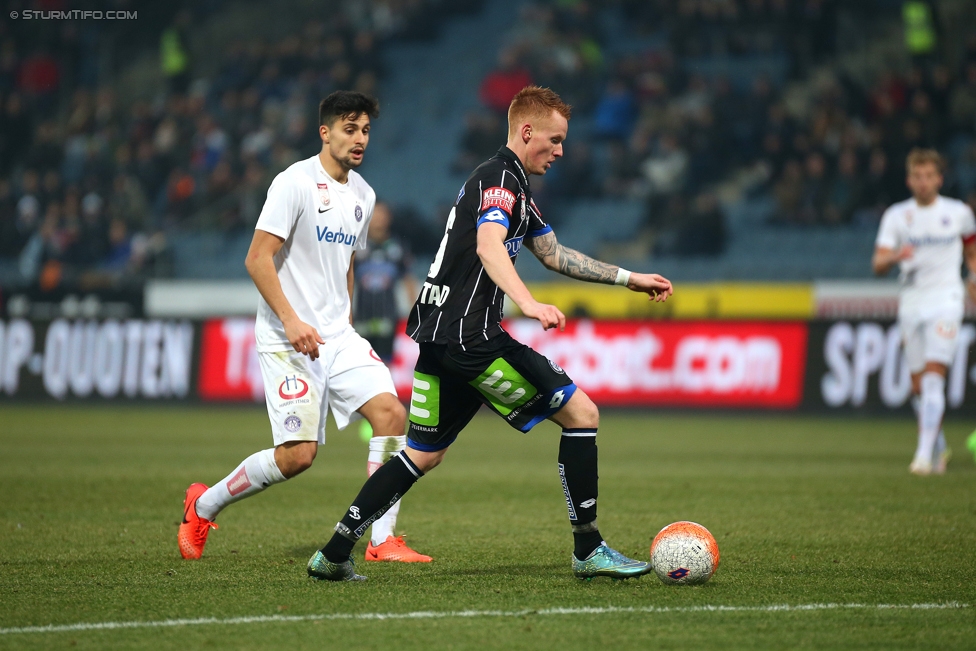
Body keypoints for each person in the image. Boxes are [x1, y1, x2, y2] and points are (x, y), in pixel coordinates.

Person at [307, 86, 673, 582]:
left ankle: (333, 551)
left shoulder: (510, 185)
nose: (561, 151)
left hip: (438, 337)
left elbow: (554, 254)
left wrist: (630, 279)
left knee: (422, 453)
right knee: (582, 413)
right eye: (555, 139)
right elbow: (488, 245)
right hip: (470, 337)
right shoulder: (502, 180)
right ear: (527, 132)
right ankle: (588, 548)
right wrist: (527, 302)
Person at [178, 91, 431, 563]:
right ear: (326, 132)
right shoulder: (293, 183)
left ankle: (382, 540)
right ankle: (204, 503)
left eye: (366, 131)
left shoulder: (364, 194)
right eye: (350, 129)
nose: (360, 140)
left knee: (393, 416)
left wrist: (347, 318)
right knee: (298, 457)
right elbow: (257, 259)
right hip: (287, 338)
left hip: (338, 336)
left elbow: (347, 265)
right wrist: (292, 321)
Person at [872, 148, 976, 475]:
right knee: (918, 387)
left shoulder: (958, 213)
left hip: (946, 298)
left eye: (929, 176)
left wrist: (973, 278)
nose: (923, 182)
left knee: (933, 380)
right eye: (918, 176)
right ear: (909, 180)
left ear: (939, 179)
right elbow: (877, 263)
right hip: (912, 302)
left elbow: (971, 251)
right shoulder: (896, 216)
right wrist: (895, 256)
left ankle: (922, 457)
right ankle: (939, 448)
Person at [352, 200, 417, 442]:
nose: (379, 219)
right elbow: (346, 278)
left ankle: (382, 410)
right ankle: (364, 410)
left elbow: (408, 279)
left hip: (387, 316)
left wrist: (415, 310)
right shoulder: (358, 245)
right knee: (362, 365)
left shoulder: (397, 247)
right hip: (362, 315)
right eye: (375, 214)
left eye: (383, 214)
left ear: (388, 218)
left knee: (384, 366)